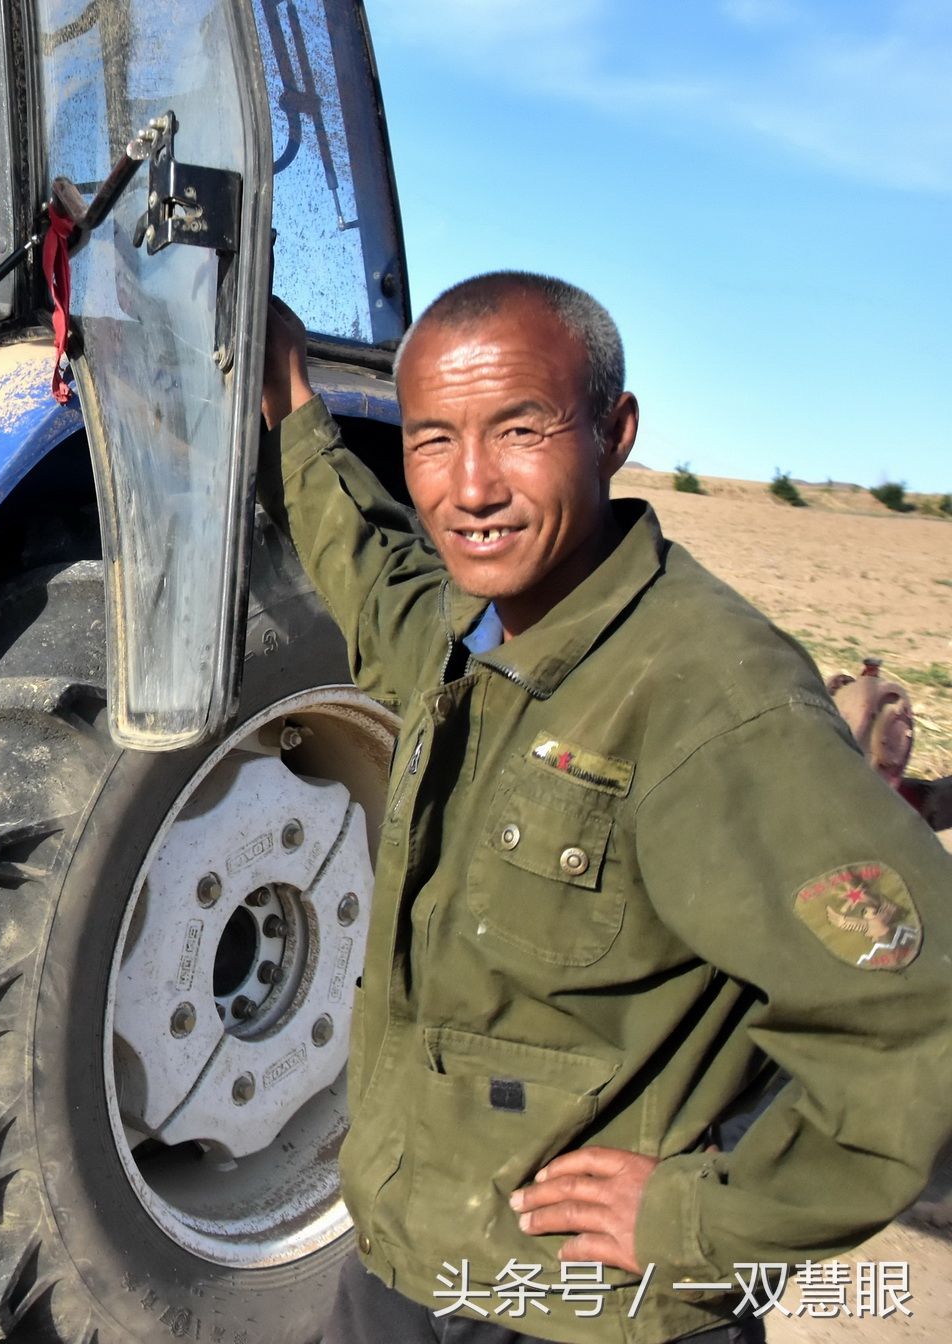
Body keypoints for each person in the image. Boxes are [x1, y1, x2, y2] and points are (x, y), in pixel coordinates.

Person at [258, 272, 952, 1344]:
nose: (470, 485)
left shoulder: (713, 702)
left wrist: (697, 1218)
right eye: (433, 440)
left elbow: (917, 1021)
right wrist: (294, 406)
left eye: (520, 428)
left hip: (587, 1311)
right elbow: (372, 576)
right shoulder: (469, 633)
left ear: (613, 433)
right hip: (408, 1263)